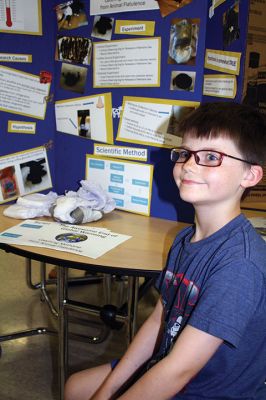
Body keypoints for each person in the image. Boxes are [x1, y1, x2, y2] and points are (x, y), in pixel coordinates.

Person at [64, 102, 266, 400]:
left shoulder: (240, 264)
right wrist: (107, 390)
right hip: (173, 365)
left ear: (250, 176)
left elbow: (178, 371)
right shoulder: (186, 238)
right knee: (77, 387)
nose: (189, 165)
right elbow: (161, 317)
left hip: (210, 390)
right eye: (185, 153)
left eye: (210, 156)